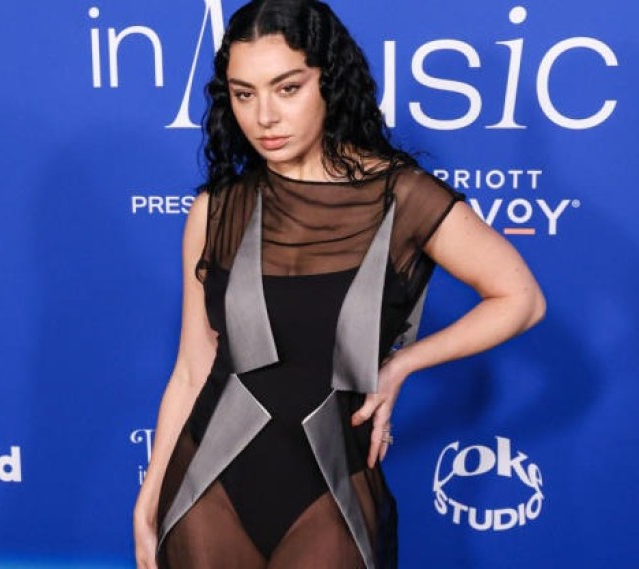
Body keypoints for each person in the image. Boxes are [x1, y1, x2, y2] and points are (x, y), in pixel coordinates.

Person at [133, 1, 545, 567]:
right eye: (244, 94)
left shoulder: (401, 198)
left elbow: (521, 299)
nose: (265, 117)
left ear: (329, 81)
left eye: (287, 88)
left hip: (332, 488)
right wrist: (151, 493)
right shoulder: (217, 209)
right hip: (208, 486)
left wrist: (401, 364)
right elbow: (191, 367)